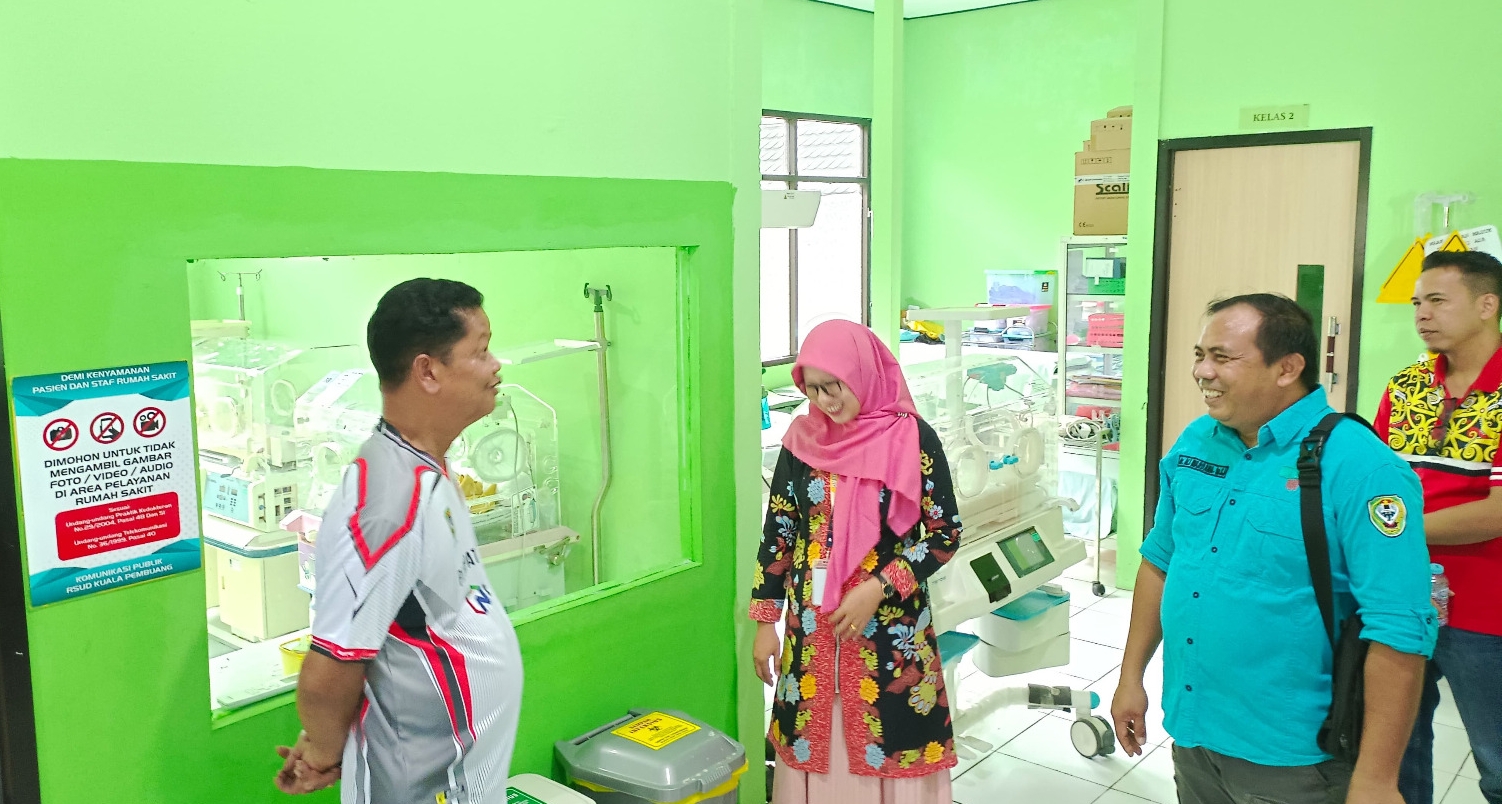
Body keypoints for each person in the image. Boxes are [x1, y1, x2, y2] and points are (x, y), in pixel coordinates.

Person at [1112, 293, 1437, 804]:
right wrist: (1131, 676)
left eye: (1222, 357)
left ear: (1288, 368)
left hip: (1295, 759)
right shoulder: (1196, 442)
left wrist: (1376, 778)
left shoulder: (1361, 466)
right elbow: (1161, 561)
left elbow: (1400, 627)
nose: (1202, 371)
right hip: (1194, 734)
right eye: (1200, 355)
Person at [274, 279, 524, 803]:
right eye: (480, 351)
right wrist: (323, 750)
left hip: (458, 775)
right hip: (419, 783)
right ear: (428, 371)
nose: (496, 365)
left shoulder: (426, 468)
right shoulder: (388, 504)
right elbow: (330, 668)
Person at [749, 319, 961, 804]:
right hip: (812, 632)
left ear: (861, 373)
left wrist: (878, 587)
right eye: (813, 389)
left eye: (834, 386)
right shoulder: (802, 442)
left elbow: (944, 533)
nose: (825, 400)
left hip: (890, 633)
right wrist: (765, 623)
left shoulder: (912, 438)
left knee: (889, 743)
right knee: (816, 742)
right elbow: (780, 533)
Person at [1383, 250, 1502, 804]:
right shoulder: (1406, 386)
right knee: (1397, 752)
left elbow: (1496, 513)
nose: (1422, 314)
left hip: (1487, 612)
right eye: (1416, 303)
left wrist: (1395, 530)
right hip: (1399, 599)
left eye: (1436, 300)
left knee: (1497, 758)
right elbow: (1376, 485)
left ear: (1487, 305)